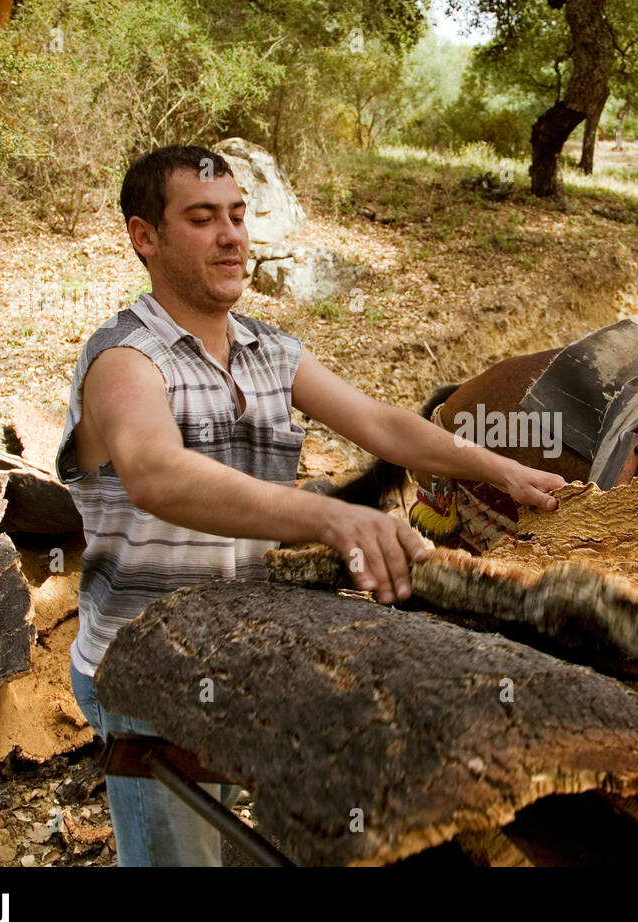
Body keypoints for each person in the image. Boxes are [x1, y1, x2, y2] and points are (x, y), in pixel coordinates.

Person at [57, 145, 565, 865]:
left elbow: (384, 425)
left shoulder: (270, 351)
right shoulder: (124, 360)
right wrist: (331, 515)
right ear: (146, 237)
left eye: (238, 215)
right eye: (202, 219)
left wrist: (503, 471)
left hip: (237, 649)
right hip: (139, 667)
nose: (232, 235)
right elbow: (156, 474)